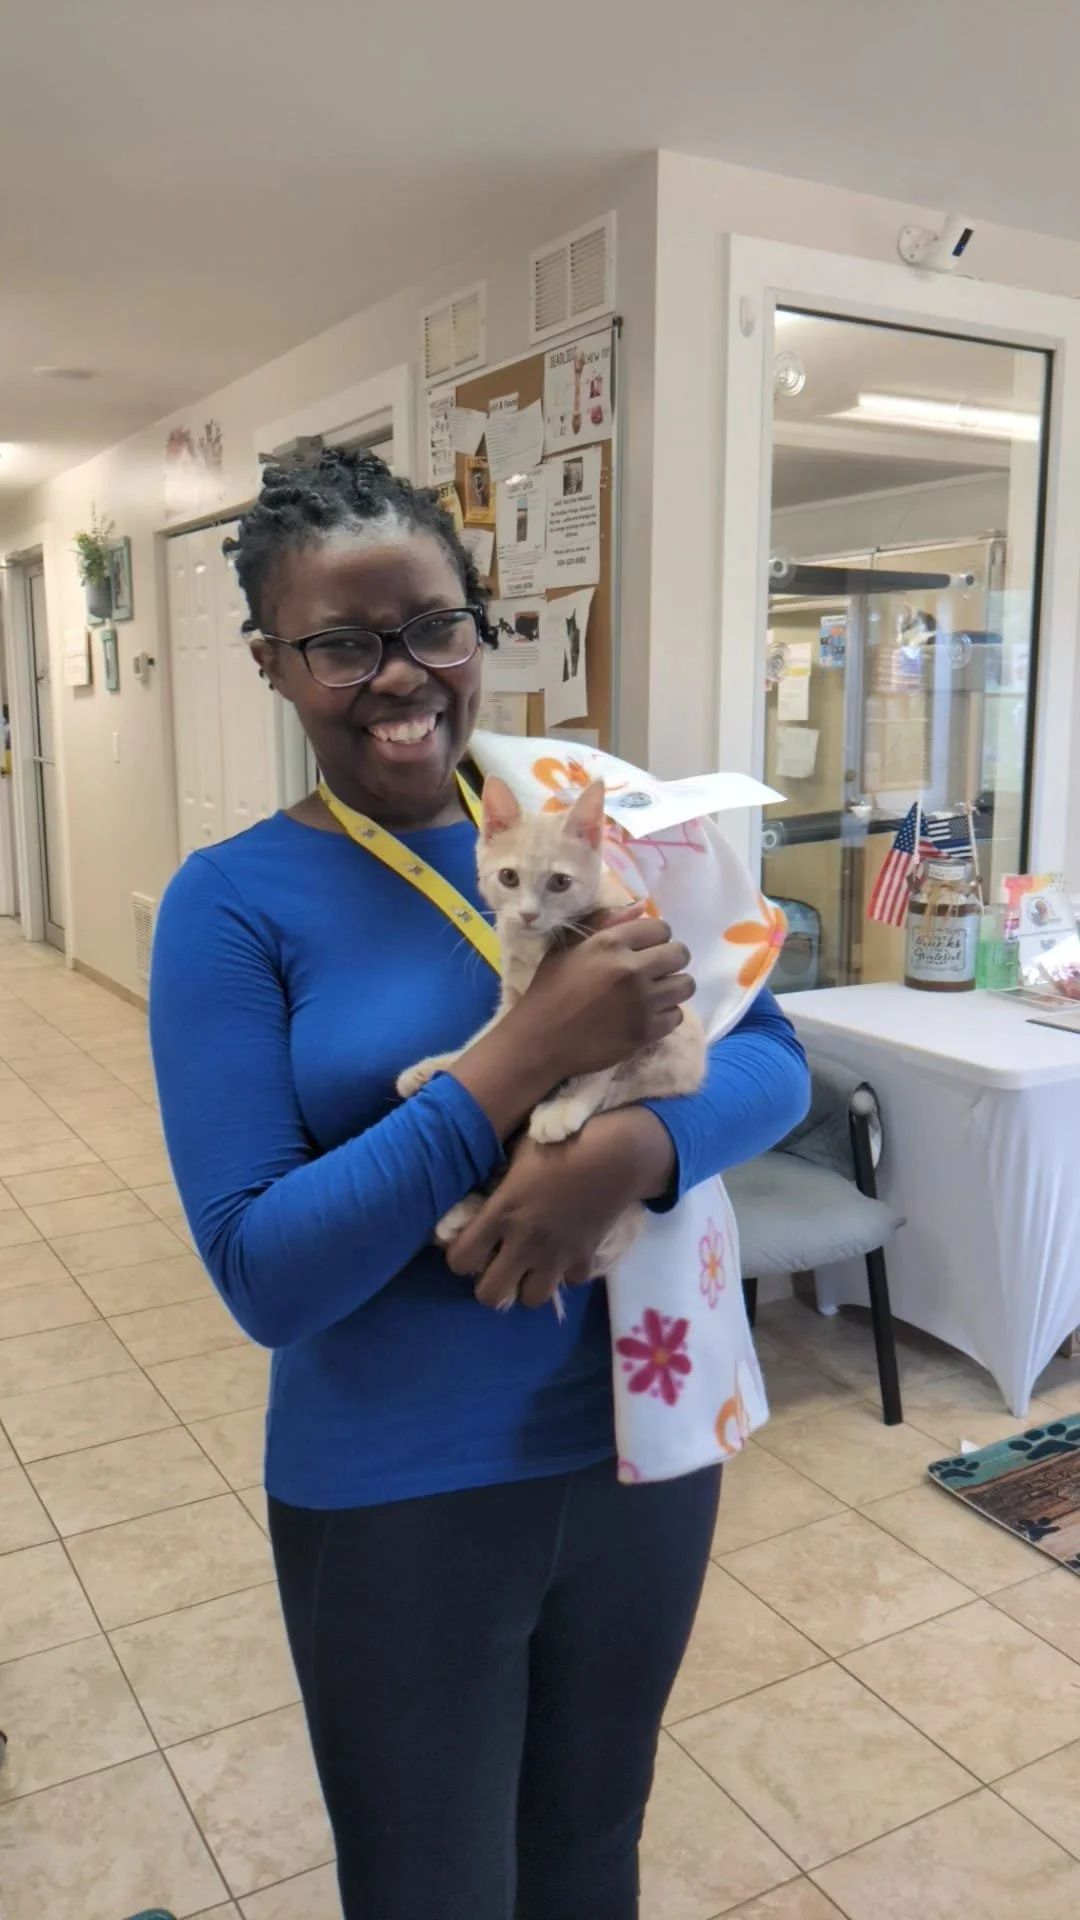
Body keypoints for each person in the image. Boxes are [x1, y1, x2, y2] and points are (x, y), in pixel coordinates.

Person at [150, 449, 809, 1920]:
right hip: (398, 1490)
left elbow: (769, 1054)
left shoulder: (597, 818)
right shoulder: (231, 904)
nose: (399, 678)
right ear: (272, 662)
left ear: (480, 624)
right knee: (431, 1889)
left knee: (590, 1853)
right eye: (341, 642)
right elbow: (266, 1272)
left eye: (433, 626)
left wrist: (629, 1159)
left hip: (642, 1454)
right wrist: (520, 1064)